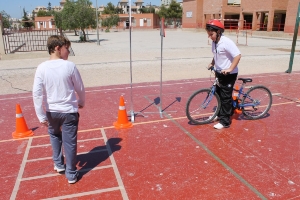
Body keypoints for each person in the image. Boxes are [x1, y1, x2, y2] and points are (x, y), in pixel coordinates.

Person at [32, 35, 85, 184]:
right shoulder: (69, 66)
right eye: (66, 48)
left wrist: (41, 115)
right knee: (69, 142)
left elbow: (36, 93)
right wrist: (81, 101)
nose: (68, 52)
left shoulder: (41, 67)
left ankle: (59, 164)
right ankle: (71, 174)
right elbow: (79, 87)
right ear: (57, 48)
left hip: (52, 112)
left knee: (55, 135)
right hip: (69, 111)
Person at [206, 19, 241, 129]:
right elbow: (216, 55)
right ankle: (222, 114)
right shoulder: (215, 42)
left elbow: (238, 55)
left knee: (225, 97)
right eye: (208, 34)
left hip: (229, 74)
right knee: (219, 94)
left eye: (211, 34)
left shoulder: (226, 42)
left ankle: (225, 122)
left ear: (218, 32)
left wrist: (230, 68)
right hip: (219, 72)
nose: (210, 36)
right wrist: (212, 63)